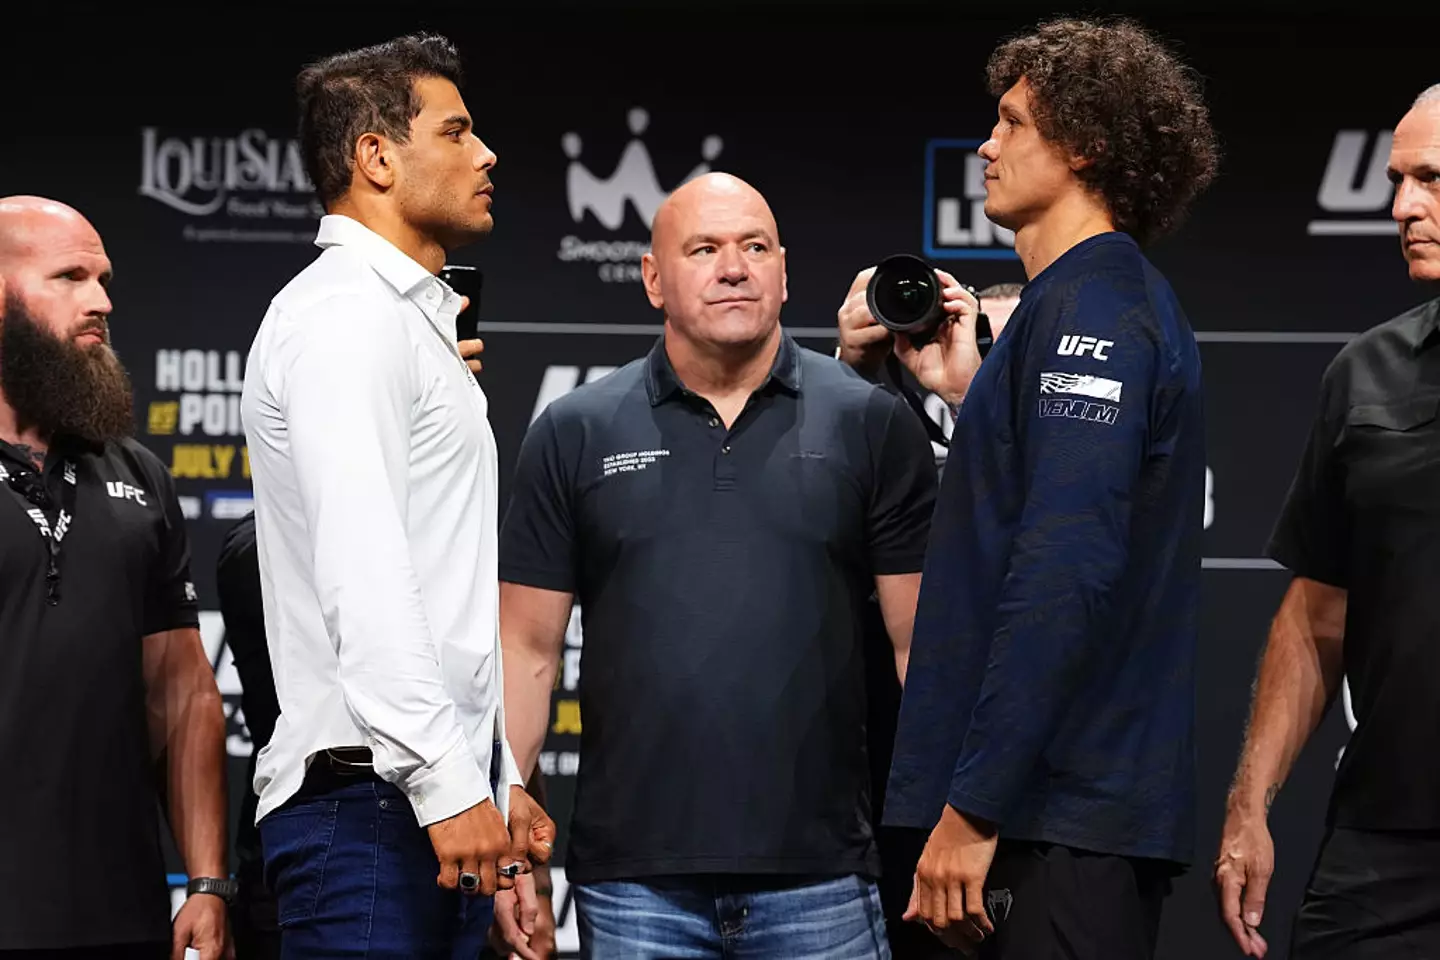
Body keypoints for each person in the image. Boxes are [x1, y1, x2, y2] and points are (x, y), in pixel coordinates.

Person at [499, 171, 937, 959]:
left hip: (824, 880)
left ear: (784, 269)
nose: (733, 267)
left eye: (754, 247)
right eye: (703, 249)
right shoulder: (573, 432)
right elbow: (527, 651)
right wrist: (508, 830)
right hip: (634, 883)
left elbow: (922, 649)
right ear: (653, 279)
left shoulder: (872, 423)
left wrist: (954, 825)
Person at [875, 18, 1219, 958]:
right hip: (1031, 815)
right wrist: (966, 392)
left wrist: (973, 807)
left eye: (1011, 122)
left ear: (1085, 145)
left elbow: (1065, 572)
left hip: (1049, 823)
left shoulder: (1096, 310)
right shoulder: (1071, 309)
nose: (986, 145)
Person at [239, 33, 553, 959]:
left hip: (410, 802)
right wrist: (449, 784)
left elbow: (435, 581)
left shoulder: (404, 324)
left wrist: (488, 786)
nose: (486, 154)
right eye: (456, 133)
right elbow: (366, 574)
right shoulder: (345, 318)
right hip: (371, 812)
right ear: (375, 157)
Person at [1215, 84, 1440, 960]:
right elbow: (1317, 611)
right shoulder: (1367, 372)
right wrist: (1249, 804)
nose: (1403, 206)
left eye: (1431, 179)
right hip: (1386, 842)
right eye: (1396, 180)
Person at [0, 195, 230, 959]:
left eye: (102, 279)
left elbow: (184, 691)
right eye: (69, 276)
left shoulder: (137, 473)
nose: (101, 301)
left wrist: (205, 880)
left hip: (120, 914)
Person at [217, 512, 557, 960]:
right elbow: (387, 680)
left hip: (462, 831)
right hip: (343, 834)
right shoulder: (260, 550)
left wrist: (520, 862)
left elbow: (477, 699)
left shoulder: (435, 529)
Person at [838, 280, 1021, 960]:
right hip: (883, 792)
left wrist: (974, 396)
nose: (983, 357)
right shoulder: (882, 437)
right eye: (975, 339)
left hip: (1019, 798)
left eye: (1007, 350)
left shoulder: (1062, 454)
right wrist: (849, 372)